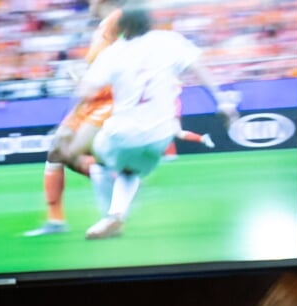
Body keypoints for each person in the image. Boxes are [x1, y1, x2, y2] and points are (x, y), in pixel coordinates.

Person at [72, 7, 238, 240]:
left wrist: (79, 80)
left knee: (95, 158)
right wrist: (222, 102)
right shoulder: (170, 41)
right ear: (149, 23)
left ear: (122, 27)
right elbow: (200, 70)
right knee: (130, 171)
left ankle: (107, 213)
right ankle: (115, 215)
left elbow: (85, 92)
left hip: (122, 133)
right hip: (161, 135)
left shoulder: (112, 53)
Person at [24, 0, 122, 237]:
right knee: (57, 151)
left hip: (108, 100)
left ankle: (117, 203)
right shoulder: (103, 26)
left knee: (73, 152)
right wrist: (84, 77)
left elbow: (126, 59)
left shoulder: (118, 19)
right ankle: (56, 220)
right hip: (91, 100)